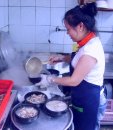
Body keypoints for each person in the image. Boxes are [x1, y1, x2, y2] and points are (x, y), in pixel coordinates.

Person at [35, 2, 106, 130]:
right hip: (83, 97)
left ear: (80, 26)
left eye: (68, 29)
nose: (67, 33)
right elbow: (78, 59)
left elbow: (74, 81)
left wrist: (49, 79)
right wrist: (62, 58)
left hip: (89, 101)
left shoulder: (91, 50)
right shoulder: (87, 41)